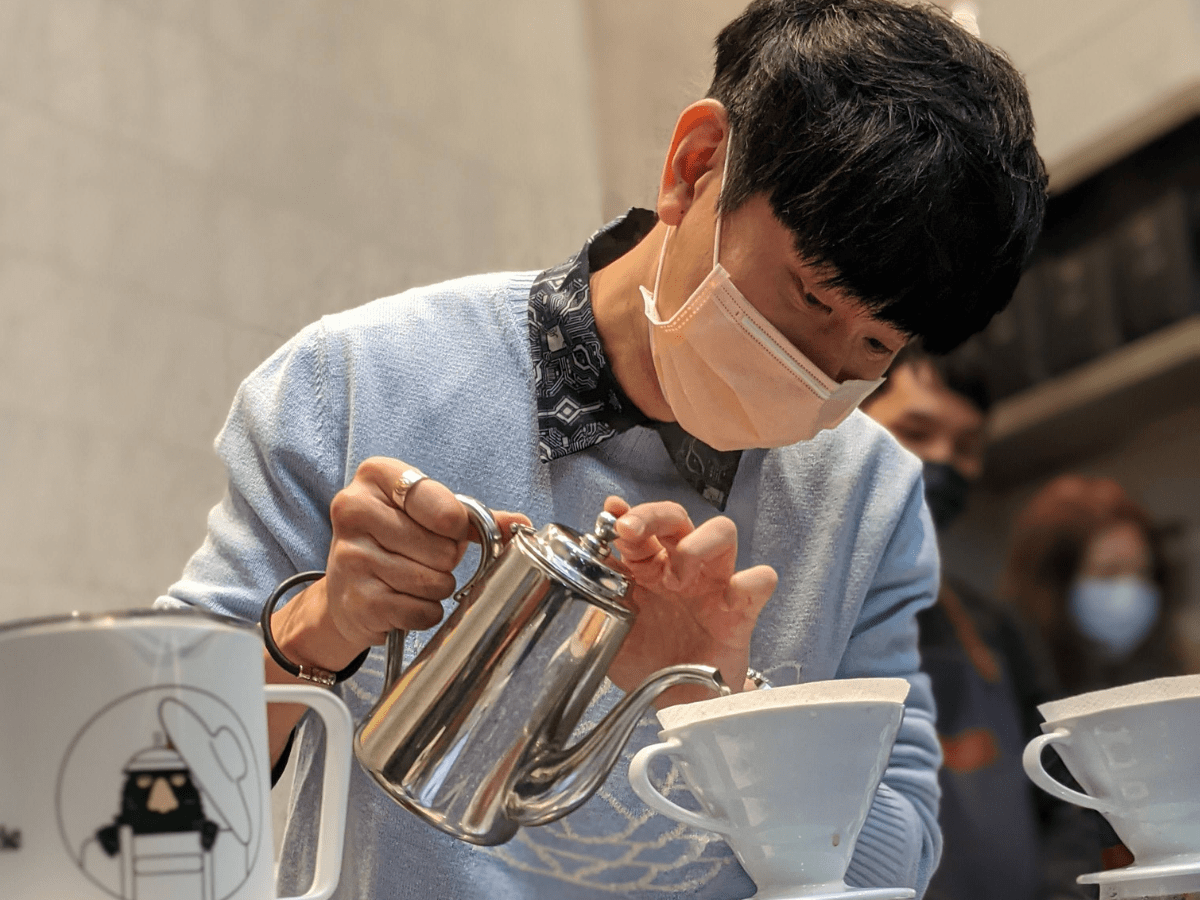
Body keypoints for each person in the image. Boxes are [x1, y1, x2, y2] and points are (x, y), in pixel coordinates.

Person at [158, 2, 1048, 898]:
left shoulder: (869, 496)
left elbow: (900, 856)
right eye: (810, 300)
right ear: (697, 167)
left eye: (873, 349)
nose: (816, 374)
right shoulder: (358, 381)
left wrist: (716, 712)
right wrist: (323, 624)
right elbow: (152, 772)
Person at [862, 345, 1106, 900]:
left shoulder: (994, 626)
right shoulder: (795, 609)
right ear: (846, 425)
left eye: (966, 447)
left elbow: (1072, 790)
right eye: (916, 432)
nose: (941, 462)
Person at [999, 474, 1183, 698]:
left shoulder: (1175, 666)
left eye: (1143, 572)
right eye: (1107, 572)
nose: (1130, 591)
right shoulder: (1006, 683)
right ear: (1054, 584)